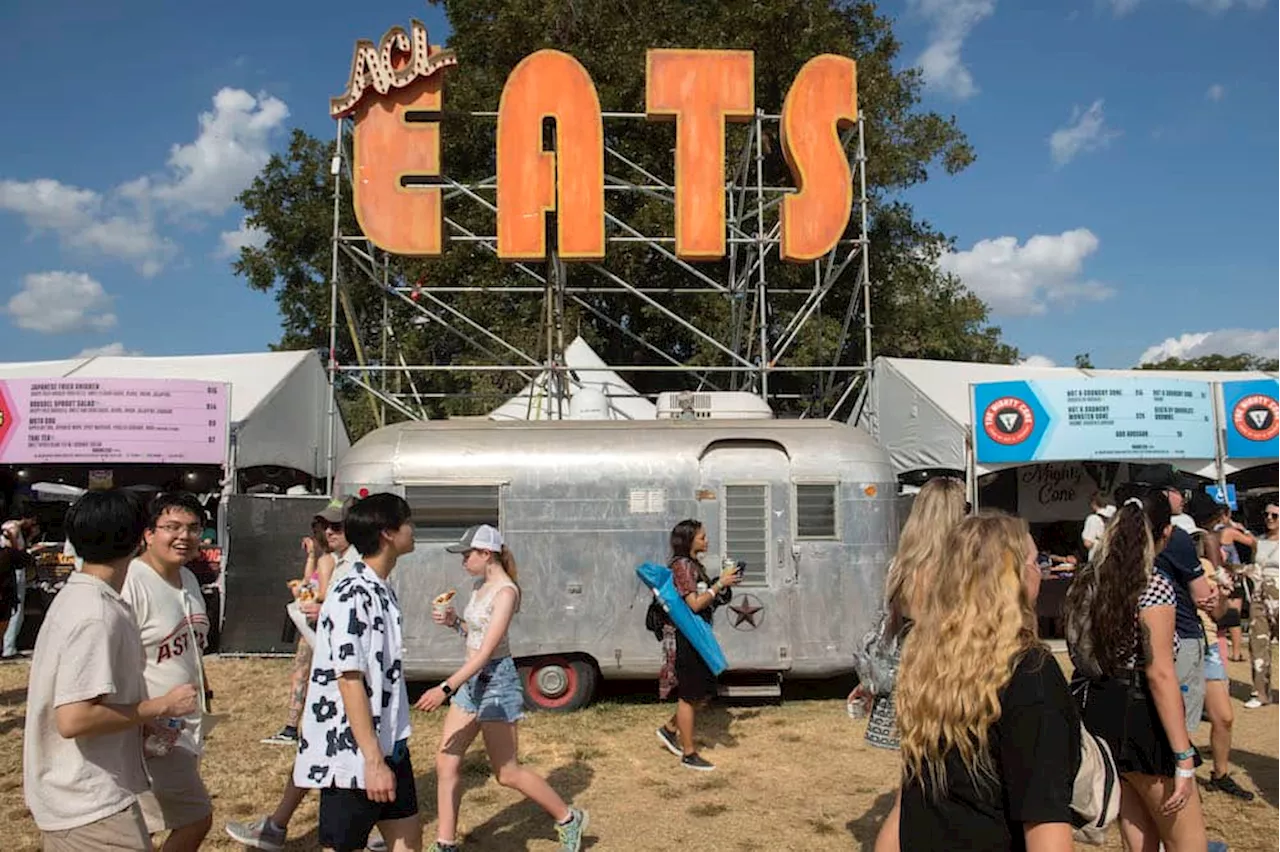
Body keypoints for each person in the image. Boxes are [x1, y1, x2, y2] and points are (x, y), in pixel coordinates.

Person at [876, 512, 1078, 851]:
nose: (1038, 572)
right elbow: (1045, 824)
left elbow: (902, 809)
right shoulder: (1031, 674)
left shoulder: (928, 665)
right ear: (1011, 579)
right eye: (1032, 562)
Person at [23, 490, 198, 851]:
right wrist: (160, 706)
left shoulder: (83, 597)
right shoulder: (95, 614)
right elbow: (74, 719)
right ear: (139, 540)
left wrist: (143, 724)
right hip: (88, 801)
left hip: (88, 795)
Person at [227, 503, 386, 852]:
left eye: (337, 527)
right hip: (331, 664)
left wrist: (322, 606)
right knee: (318, 748)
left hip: (343, 671)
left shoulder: (359, 565)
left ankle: (289, 827)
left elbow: (352, 616)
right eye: (324, 526)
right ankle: (281, 826)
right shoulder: (338, 560)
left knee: (345, 752)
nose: (330, 532)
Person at [422, 524, 589, 852]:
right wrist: (456, 622)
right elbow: (476, 635)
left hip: (496, 683)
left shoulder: (506, 592)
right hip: (471, 683)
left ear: (487, 554)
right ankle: (445, 843)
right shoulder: (478, 585)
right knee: (446, 760)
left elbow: (487, 652)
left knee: (506, 772)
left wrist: (445, 687)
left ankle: (569, 818)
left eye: (467, 554)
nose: (463, 561)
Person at [1066, 493, 1210, 852]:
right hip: (1141, 717)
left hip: (1100, 714)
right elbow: (1160, 674)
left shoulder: (1087, 581)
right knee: (1189, 845)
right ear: (1163, 533)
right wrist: (1183, 758)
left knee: (1139, 837)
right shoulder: (1154, 585)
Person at [291, 493, 421, 852]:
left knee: (408, 840)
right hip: (353, 750)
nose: (414, 529)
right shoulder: (353, 593)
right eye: (407, 521)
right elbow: (349, 680)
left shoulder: (381, 588)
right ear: (388, 534)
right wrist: (373, 760)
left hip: (390, 741)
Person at [122, 493, 215, 852]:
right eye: (171, 527)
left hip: (185, 727)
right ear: (148, 534)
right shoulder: (133, 582)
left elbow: (192, 644)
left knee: (148, 826)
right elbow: (118, 661)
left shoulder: (188, 579)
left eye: (193, 528)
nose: (184, 536)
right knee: (194, 818)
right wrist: (145, 718)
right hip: (149, 730)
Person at [849, 475, 967, 752]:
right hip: (944, 673)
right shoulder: (955, 568)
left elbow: (888, 628)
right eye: (965, 507)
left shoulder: (901, 566)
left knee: (915, 769)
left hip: (906, 671)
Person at [654, 519, 741, 771]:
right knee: (689, 694)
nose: (707, 541)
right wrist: (719, 584)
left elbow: (703, 600)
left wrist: (720, 589)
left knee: (702, 690)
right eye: (702, 537)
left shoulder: (692, 565)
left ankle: (670, 729)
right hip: (686, 637)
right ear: (689, 540)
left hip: (695, 634)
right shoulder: (682, 566)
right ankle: (689, 754)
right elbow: (693, 604)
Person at [262, 517, 338, 746]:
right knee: (302, 674)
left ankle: (293, 728)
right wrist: (311, 558)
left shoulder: (330, 561)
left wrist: (305, 592)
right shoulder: (325, 560)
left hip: (318, 627)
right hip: (312, 627)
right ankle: (292, 727)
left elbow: (319, 593)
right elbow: (308, 582)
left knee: (305, 675)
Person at [1246, 501, 1280, 708]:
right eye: (1266, 514)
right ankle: (1260, 692)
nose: (1269, 519)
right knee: (1258, 643)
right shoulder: (1259, 542)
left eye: (1274, 515)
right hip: (1260, 596)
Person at [1082, 491, 1116, 562]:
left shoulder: (1093, 519)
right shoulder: (1115, 516)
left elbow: (1088, 543)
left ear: (1094, 503)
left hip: (1098, 557)